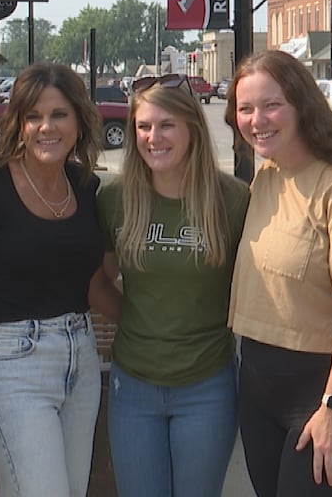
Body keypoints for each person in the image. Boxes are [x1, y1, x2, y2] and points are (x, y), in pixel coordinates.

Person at [225, 50, 332, 496]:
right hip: (258, 383)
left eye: (271, 105)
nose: (257, 119)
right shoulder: (266, 177)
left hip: (322, 391)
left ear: (302, 105)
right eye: (246, 109)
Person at [0, 62, 111, 497]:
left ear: (78, 120)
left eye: (58, 114)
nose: (46, 127)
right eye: (33, 116)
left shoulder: (85, 186)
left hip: (82, 357)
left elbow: (93, 285)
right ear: (18, 124)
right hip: (14, 367)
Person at [96, 78, 249, 497]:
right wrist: (138, 323)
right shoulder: (116, 200)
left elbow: (265, 279)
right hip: (134, 386)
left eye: (166, 125)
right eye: (143, 127)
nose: (153, 137)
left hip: (207, 385)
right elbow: (98, 281)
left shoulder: (232, 200)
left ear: (191, 130)